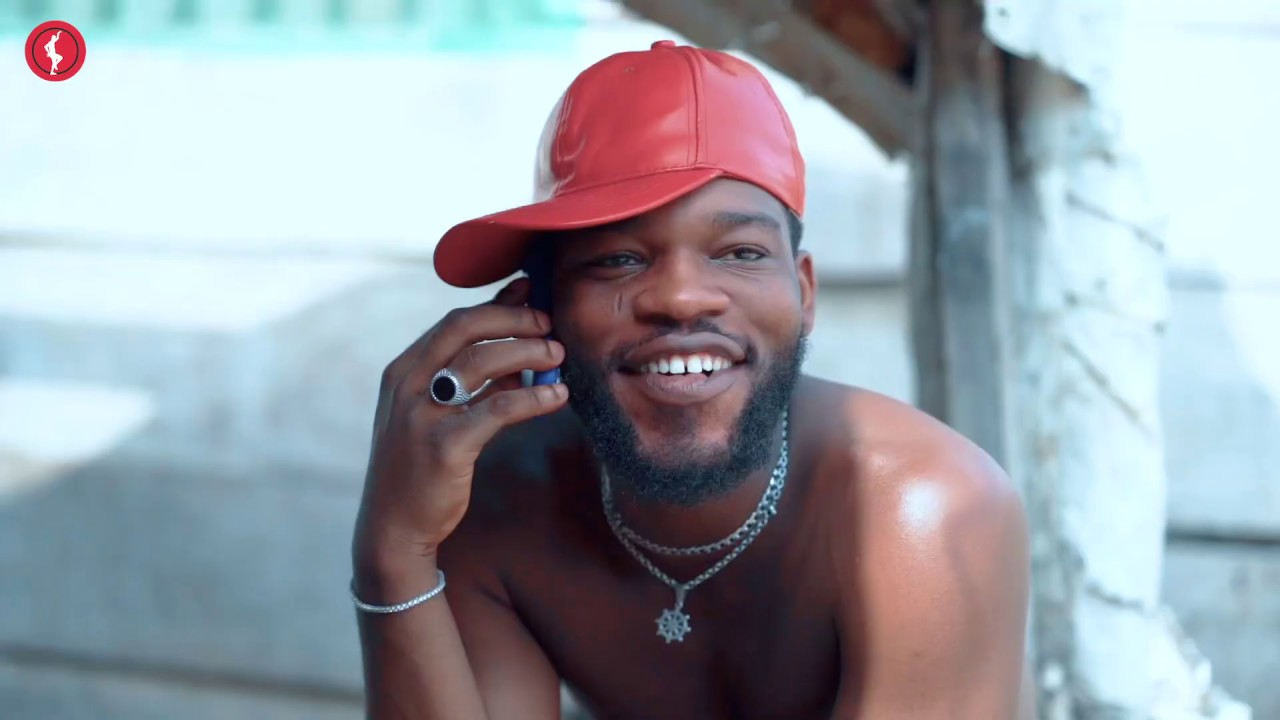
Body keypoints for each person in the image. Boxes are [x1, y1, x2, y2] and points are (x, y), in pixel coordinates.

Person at [351, 40, 1031, 719]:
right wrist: (395, 551)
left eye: (740, 252)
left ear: (803, 294)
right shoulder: (493, 504)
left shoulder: (920, 511)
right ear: (541, 307)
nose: (681, 298)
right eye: (617, 259)